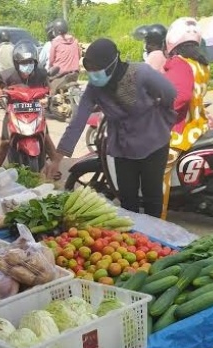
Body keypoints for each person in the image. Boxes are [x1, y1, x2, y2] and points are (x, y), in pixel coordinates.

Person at [44, 38, 177, 218]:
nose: (94, 75)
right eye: (90, 71)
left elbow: (170, 93)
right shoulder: (94, 88)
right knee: (127, 199)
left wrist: (158, 117)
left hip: (153, 142)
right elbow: (77, 122)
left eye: (97, 70)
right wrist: (57, 158)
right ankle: (134, 242)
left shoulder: (141, 73)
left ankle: (154, 240)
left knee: (152, 197)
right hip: (122, 146)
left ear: (113, 64)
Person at [161, 17, 211, 219]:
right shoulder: (201, 64)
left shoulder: (179, 63)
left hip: (179, 131)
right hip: (198, 124)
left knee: (159, 172)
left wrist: (159, 108)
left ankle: (157, 216)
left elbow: (180, 97)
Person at [0, 41, 59, 172]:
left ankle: (55, 166)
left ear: (35, 62)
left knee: (45, 137)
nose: (27, 66)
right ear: (17, 63)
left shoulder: (40, 73)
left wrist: (50, 92)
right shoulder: (9, 74)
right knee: (5, 142)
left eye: (30, 62)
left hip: (35, 110)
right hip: (14, 111)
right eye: (23, 63)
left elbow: (48, 83)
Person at [48, 18, 81, 95]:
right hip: (74, 75)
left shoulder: (55, 42)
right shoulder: (75, 41)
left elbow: (51, 61)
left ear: (56, 30)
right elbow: (79, 56)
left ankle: (50, 106)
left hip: (61, 76)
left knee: (51, 90)